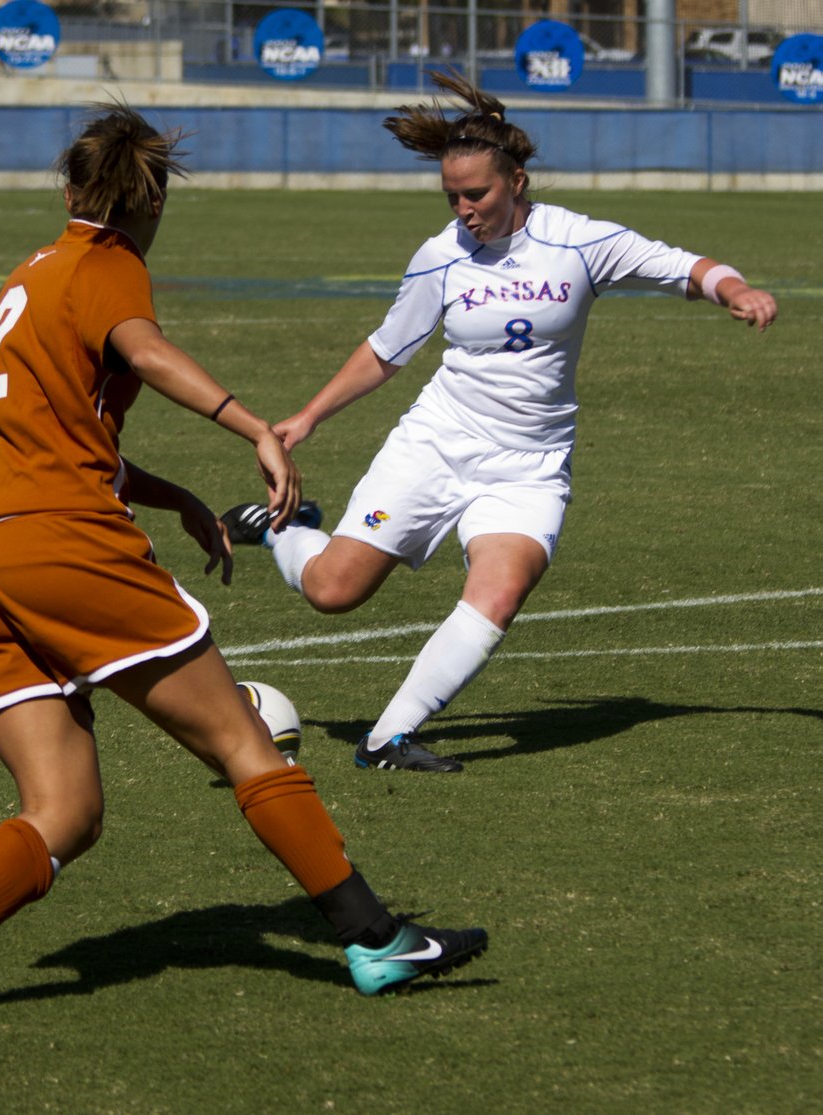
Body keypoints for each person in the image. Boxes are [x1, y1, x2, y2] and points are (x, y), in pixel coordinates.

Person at [0, 104, 488, 1031]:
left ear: (70, 189)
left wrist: (180, 500)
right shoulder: (108, 263)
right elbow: (146, 354)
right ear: (148, 201)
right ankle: (375, 936)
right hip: (65, 545)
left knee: (64, 809)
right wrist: (254, 429)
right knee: (243, 741)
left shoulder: (31, 276)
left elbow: (59, 435)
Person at [223, 70, 778, 774]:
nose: (464, 210)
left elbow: (682, 265)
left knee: (502, 588)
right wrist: (304, 419)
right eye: (452, 196)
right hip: (437, 443)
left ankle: (387, 738)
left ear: (517, 180)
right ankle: (284, 529)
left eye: (477, 194)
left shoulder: (578, 242)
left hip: (530, 463)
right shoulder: (440, 257)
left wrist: (735, 288)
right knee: (334, 590)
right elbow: (388, 350)